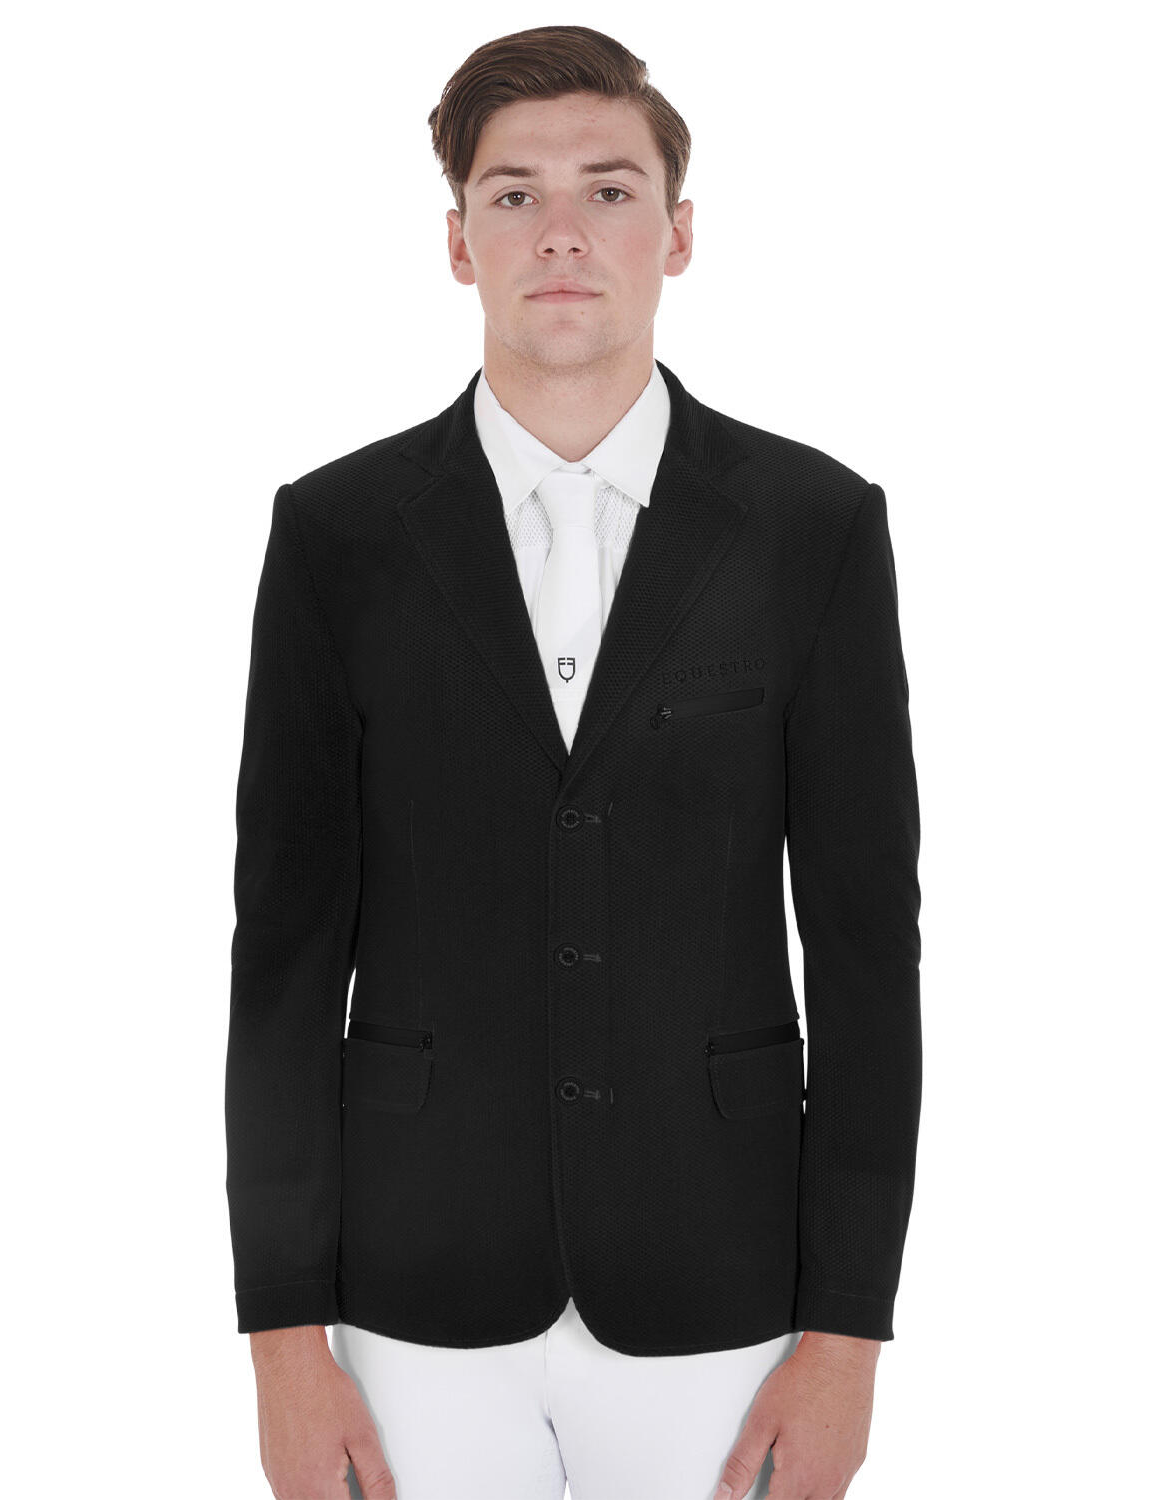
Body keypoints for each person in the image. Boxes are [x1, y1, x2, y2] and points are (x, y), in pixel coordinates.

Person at [226, 24, 922, 1500]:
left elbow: (866, 948)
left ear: (679, 233)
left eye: (609, 191)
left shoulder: (812, 528)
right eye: (514, 194)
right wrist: (283, 1338)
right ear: (458, 244)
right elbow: (283, 955)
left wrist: (847, 1334)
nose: (561, 231)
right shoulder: (337, 535)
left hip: (720, 1282)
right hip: (412, 1291)